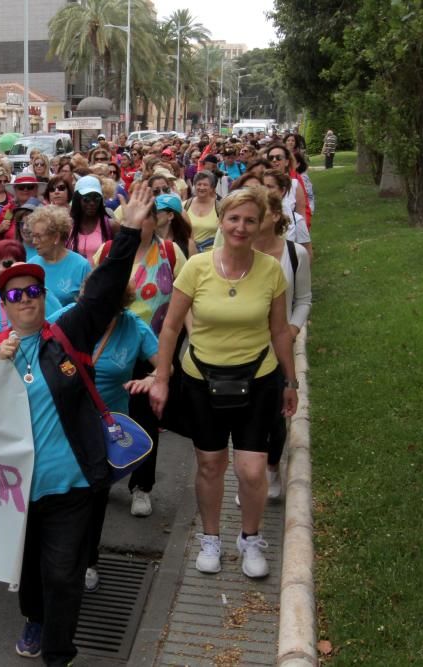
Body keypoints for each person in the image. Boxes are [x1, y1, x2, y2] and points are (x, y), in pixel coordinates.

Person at [0, 182, 147, 665]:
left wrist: (129, 231)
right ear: (4, 306)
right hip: (18, 488)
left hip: (71, 485)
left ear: (43, 297)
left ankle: (59, 653)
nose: (26, 299)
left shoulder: (67, 334)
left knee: (63, 573)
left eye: (33, 291)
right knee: (30, 572)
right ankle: (33, 617)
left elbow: (102, 294)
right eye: (15, 295)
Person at [139, 187, 299, 580]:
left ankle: (251, 538)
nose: (241, 227)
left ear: (261, 222)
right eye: (233, 219)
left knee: (252, 469)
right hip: (201, 380)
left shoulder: (270, 270)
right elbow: (171, 327)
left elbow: (279, 331)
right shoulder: (195, 267)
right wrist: (161, 378)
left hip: (258, 379)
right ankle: (210, 539)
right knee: (210, 464)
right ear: (222, 221)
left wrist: (290, 380)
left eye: (249, 220)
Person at [48, 283, 158, 593]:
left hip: (105, 428)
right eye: (88, 301)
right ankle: (58, 558)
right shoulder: (68, 316)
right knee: (63, 496)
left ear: (120, 306)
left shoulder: (133, 327)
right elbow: (36, 341)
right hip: (62, 422)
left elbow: (165, 366)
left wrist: (150, 380)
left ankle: (88, 561)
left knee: (94, 497)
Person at [92, 193, 187, 517]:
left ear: (155, 220)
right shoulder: (108, 252)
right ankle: (102, 476)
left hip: (150, 348)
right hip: (108, 346)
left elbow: (183, 300)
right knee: (105, 417)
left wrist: (170, 361)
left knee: (144, 419)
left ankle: (141, 487)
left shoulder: (171, 253)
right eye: (131, 217)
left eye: (145, 216)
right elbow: (93, 293)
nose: (137, 222)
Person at [249, 191, 311, 501]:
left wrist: (293, 327)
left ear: (275, 215)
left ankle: (272, 466)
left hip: (278, 348)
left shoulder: (294, 253)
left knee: (275, 415)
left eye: (258, 213)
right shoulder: (238, 251)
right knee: (249, 416)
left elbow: (303, 299)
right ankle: (252, 474)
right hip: (244, 347)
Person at [0, 239, 63, 363]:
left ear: (21, 264)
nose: (0, 269)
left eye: (7, 263)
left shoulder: (37, 294)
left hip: (37, 364)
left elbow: (60, 329)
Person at [28, 205, 91, 307]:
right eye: (33, 236)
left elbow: (89, 305)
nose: (34, 242)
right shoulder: (31, 266)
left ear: (56, 237)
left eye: (38, 236)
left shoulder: (81, 266)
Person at [262, 170, 312, 259]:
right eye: (263, 186)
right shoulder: (256, 218)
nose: (265, 191)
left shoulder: (297, 220)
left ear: (282, 191)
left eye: (270, 187)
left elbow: (307, 254)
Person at [67, 175, 114, 262]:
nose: (92, 203)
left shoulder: (111, 225)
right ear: (77, 199)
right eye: (86, 199)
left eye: (96, 198)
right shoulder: (68, 226)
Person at [0, 175, 46, 241]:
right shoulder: (7, 210)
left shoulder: (44, 211)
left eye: (30, 187)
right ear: (15, 190)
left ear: (36, 189)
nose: (25, 190)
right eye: (21, 187)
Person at [185, 171, 221, 252]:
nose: (201, 187)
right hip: (188, 253)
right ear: (194, 186)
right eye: (199, 184)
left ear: (212, 188)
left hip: (212, 255)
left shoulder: (220, 207)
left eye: (205, 185)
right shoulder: (184, 206)